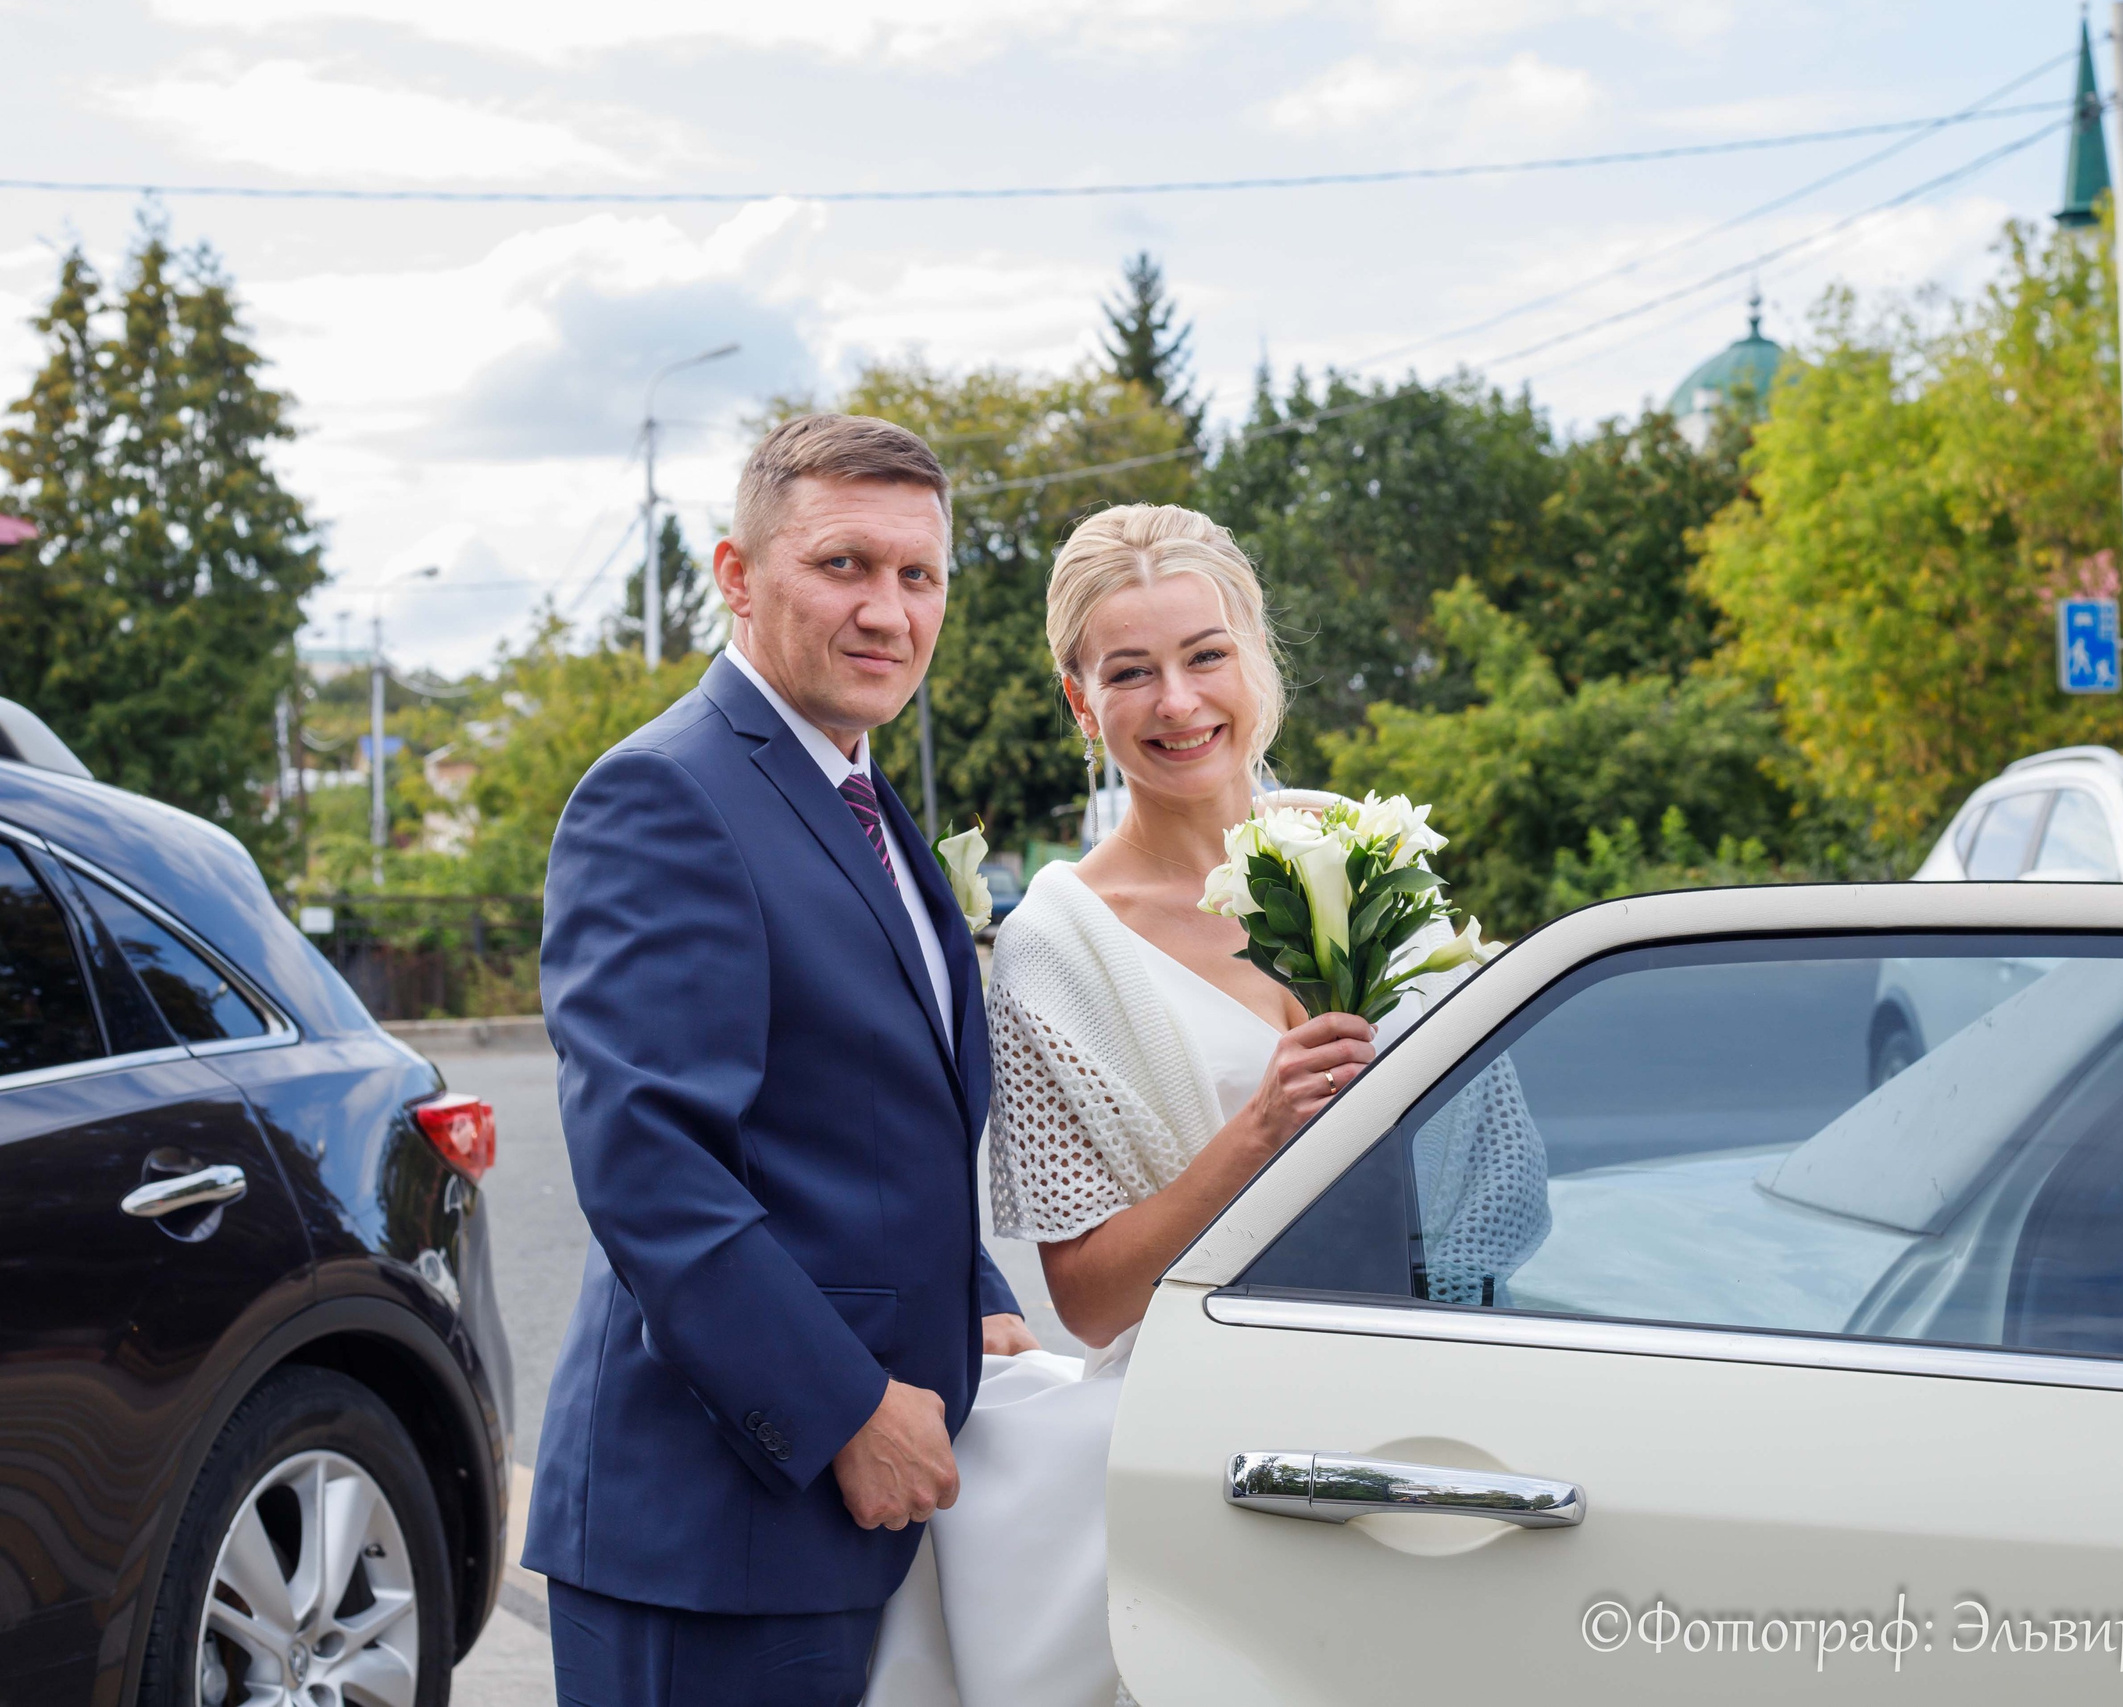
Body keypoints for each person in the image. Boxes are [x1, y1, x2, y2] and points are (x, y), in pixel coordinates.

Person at [865, 503, 1544, 1706]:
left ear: (1255, 660)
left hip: (1427, 1403)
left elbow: (1505, 1189)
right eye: (1131, 672)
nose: (1177, 702)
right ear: (1082, 704)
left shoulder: (1363, 852)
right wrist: (1256, 1134)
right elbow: (1088, 1302)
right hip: (1211, 1431)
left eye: (1205, 655)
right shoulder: (1057, 948)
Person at [527, 413, 1039, 1707]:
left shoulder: (854, 795)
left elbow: (852, 1111)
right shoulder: (666, 794)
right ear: (738, 576)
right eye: (843, 565)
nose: (888, 611)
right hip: (716, 1526)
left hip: (837, 1523)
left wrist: (968, 1284)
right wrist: (844, 1408)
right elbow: (651, 1166)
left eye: (918, 575)